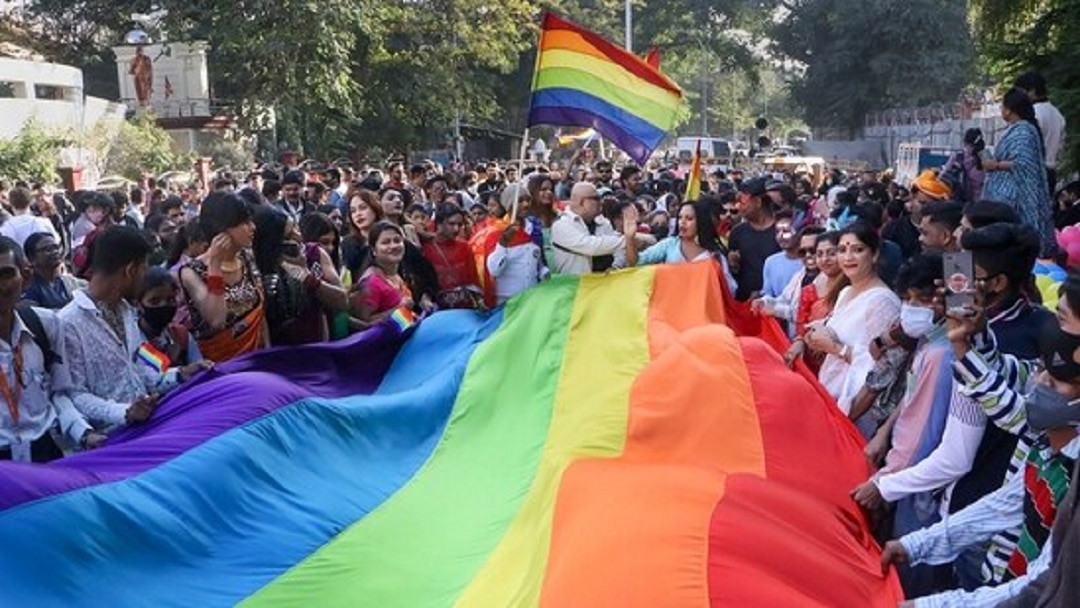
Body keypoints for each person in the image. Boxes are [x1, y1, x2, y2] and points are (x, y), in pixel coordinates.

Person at [61, 226, 210, 430]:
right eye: (143, 269)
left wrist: (179, 374)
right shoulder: (68, 323)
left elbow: (137, 371)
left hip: (146, 428)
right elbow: (74, 395)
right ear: (131, 270)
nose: (144, 277)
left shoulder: (126, 312)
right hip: (108, 443)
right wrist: (125, 412)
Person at [0, 237, 102, 462]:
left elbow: (59, 392)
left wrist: (83, 433)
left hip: (47, 455)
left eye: (5, 274)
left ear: (25, 277)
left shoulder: (46, 325)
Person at [808, 222, 901, 416]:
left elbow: (881, 367)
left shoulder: (882, 302)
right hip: (830, 393)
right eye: (842, 250)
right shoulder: (846, 292)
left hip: (857, 408)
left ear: (874, 255)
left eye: (858, 250)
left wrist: (835, 348)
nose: (848, 257)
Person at [179, 192, 265, 362]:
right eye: (244, 223)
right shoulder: (191, 272)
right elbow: (217, 320)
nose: (253, 227)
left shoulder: (247, 257)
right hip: (222, 368)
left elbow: (260, 316)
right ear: (222, 229)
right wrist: (215, 265)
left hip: (258, 360)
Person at [252, 207, 347, 346]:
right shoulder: (254, 265)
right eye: (289, 236)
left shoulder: (314, 254)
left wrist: (306, 276)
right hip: (277, 351)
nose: (299, 236)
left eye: (296, 228)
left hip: (315, 345)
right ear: (271, 243)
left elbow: (342, 301)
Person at [982, 88, 1057, 258]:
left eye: (1002, 107)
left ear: (1009, 109)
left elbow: (1024, 164)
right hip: (1006, 195)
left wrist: (996, 165)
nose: (1001, 111)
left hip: (1018, 199)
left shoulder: (1024, 131)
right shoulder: (1016, 129)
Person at [551, 182, 637, 276]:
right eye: (596, 198)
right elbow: (591, 246)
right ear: (582, 202)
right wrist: (627, 239)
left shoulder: (604, 222)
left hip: (605, 284)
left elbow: (619, 252)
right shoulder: (561, 226)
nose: (601, 201)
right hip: (574, 287)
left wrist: (616, 266)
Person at [351, 221, 422, 324]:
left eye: (397, 240)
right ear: (374, 250)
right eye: (386, 242)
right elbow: (363, 324)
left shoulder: (395, 274)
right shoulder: (371, 282)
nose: (393, 246)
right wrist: (399, 309)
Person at [136, 267, 202, 374]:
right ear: (139, 304)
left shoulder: (181, 335)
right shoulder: (133, 342)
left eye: (170, 300)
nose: (163, 305)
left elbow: (200, 369)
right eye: (155, 301)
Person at [422, 204, 484, 310]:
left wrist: (479, 301)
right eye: (451, 224)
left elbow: (473, 281)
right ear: (439, 223)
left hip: (464, 309)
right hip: (436, 310)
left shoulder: (465, 247)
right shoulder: (425, 249)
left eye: (459, 225)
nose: (456, 229)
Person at [728, 178, 780, 301]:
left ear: (757, 202)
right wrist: (733, 265)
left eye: (743, 202)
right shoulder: (737, 232)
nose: (739, 207)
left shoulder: (781, 230)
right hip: (746, 302)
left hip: (776, 301)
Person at [1015, 71, 1066, 196]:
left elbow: (1025, 147)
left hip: (1033, 174)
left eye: (1020, 92)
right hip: (1051, 173)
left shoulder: (1032, 114)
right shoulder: (1057, 114)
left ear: (1031, 91)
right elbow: (1061, 147)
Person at [21, 232, 82, 310]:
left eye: (56, 247)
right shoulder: (30, 288)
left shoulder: (67, 282)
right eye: (47, 249)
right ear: (32, 258)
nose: (55, 252)